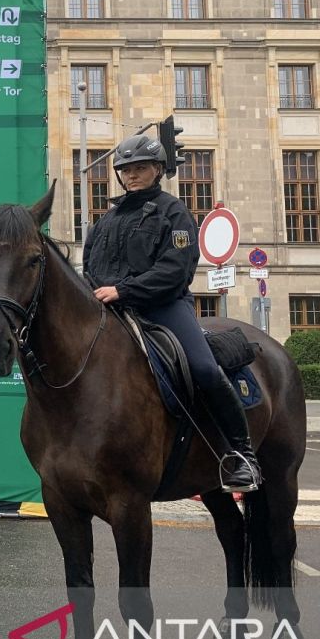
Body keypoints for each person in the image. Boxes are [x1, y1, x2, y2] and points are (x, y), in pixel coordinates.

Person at [83, 134, 262, 493]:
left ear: (158, 170)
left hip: (163, 306)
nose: (132, 175)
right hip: (112, 310)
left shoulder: (173, 212)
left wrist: (124, 290)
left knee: (203, 369)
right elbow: (89, 267)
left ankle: (241, 455)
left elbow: (174, 270)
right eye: (126, 169)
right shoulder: (105, 221)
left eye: (141, 168)